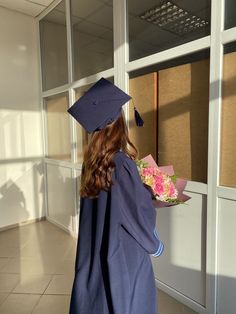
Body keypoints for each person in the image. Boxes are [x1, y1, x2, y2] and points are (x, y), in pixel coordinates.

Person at [67, 78, 164, 314]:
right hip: (124, 252)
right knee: (128, 301)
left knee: (101, 299)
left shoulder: (91, 163)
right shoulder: (121, 163)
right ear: (116, 122)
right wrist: (156, 244)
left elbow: (113, 202)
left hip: (98, 244)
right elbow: (136, 214)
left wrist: (138, 188)